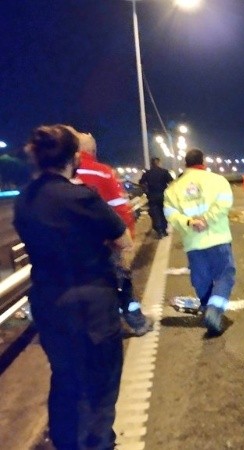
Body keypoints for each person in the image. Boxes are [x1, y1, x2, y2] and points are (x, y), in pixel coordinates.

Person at [13, 124, 131, 450]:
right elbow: (124, 240)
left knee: (64, 378)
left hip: (48, 301)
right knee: (101, 380)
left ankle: (66, 442)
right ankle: (99, 442)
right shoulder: (81, 197)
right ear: (74, 157)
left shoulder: (24, 200)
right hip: (92, 301)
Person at [73, 130, 153, 336]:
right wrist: (127, 238)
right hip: (106, 242)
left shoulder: (61, 176)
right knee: (121, 281)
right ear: (92, 149)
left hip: (72, 246)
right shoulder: (102, 172)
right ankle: (136, 321)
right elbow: (120, 208)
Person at [164, 148, 235, 335]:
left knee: (201, 279)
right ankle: (215, 309)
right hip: (218, 239)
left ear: (185, 164)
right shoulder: (218, 180)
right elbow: (224, 204)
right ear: (203, 163)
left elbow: (170, 214)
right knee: (224, 275)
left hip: (193, 243)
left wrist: (189, 222)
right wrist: (207, 219)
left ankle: (205, 306)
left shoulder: (173, 189)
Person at [139, 157, 174, 238]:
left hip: (152, 196)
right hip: (163, 196)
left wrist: (146, 191)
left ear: (151, 163)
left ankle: (159, 231)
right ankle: (164, 230)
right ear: (158, 163)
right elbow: (171, 182)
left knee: (155, 213)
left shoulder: (147, 173)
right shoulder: (164, 172)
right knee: (163, 213)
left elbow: (141, 182)